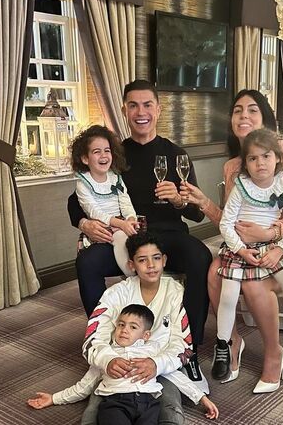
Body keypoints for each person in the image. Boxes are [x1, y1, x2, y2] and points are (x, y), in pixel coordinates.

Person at [68, 80, 212, 386]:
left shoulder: (175, 154)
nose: (141, 112)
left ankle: (189, 349)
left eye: (147, 105)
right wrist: (84, 223)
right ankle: (104, 346)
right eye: (133, 105)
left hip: (168, 235)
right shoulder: (114, 154)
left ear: (158, 109)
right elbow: (77, 198)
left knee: (200, 257)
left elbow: (196, 213)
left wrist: (178, 200)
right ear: (124, 111)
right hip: (128, 238)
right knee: (88, 262)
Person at [180, 89, 283, 391]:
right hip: (246, 250)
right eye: (237, 110)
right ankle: (231, 342)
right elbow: (232, 222)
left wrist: (269, 235)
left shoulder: (282, 150)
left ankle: (274, 352)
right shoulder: (233, 166)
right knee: (214, 271)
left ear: (265, 118)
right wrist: (204, 202)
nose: (244, 115)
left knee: (255, 284)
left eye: (252, 109)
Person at [78, 233, 215, 424]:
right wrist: (108, 360)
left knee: (171, 413)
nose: (151, 265)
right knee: (93, 414)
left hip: (163, 368)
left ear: (164, 260)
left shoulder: (176, 292)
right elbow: (93, 339)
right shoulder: (116, 293)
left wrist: (157, 363)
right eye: (142, 260)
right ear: (132, 265)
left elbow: (183, 345)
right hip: (120, 365)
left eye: (156, 258)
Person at [214, 129, 283, 392]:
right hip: (241, 248)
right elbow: (226, 223)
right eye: (253, 158)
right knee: (228, 293)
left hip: (271, 247)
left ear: (277, 158)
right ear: (245, 163)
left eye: (266, 156)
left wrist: (280, 249)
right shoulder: (241, 187)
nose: (260, 163)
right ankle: (223, 345)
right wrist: (240, 249)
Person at [27, 304, 219, 423]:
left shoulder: (152, 354)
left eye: (133, 327)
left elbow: (176, 376)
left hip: (149, 403)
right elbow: (84, 386)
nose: (124, 330)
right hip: (115, 404)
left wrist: (202, 398)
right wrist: (54, 398)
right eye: (121, 324)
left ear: (145, 335)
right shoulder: (105, 355)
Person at [70, 125, 137, 276]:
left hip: (121, 223)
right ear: (85, 158)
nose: (103, 155)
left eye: (107, 150)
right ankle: (132, 278)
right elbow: (94, 212)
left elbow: (125, 202)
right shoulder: (83, 183)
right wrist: (120, 224)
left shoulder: (115, 177)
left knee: (139, 239)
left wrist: (131, 218)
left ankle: (143, 277)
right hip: (102, 227)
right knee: (122, 239)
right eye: (96, 152)